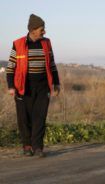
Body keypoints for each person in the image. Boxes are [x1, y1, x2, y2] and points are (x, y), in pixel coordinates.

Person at [6, 14, 60, 157]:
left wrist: (57, 84)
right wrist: (11, 86)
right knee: (24, 117)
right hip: (23, 87)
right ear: (33, 29)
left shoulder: (47, 43)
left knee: (40, 117)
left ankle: (38, 147)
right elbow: (11, 68)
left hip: (43, 86)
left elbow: (52, 65)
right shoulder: (18, 44)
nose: (44, 32)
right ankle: (27, 146)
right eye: (42, 29)